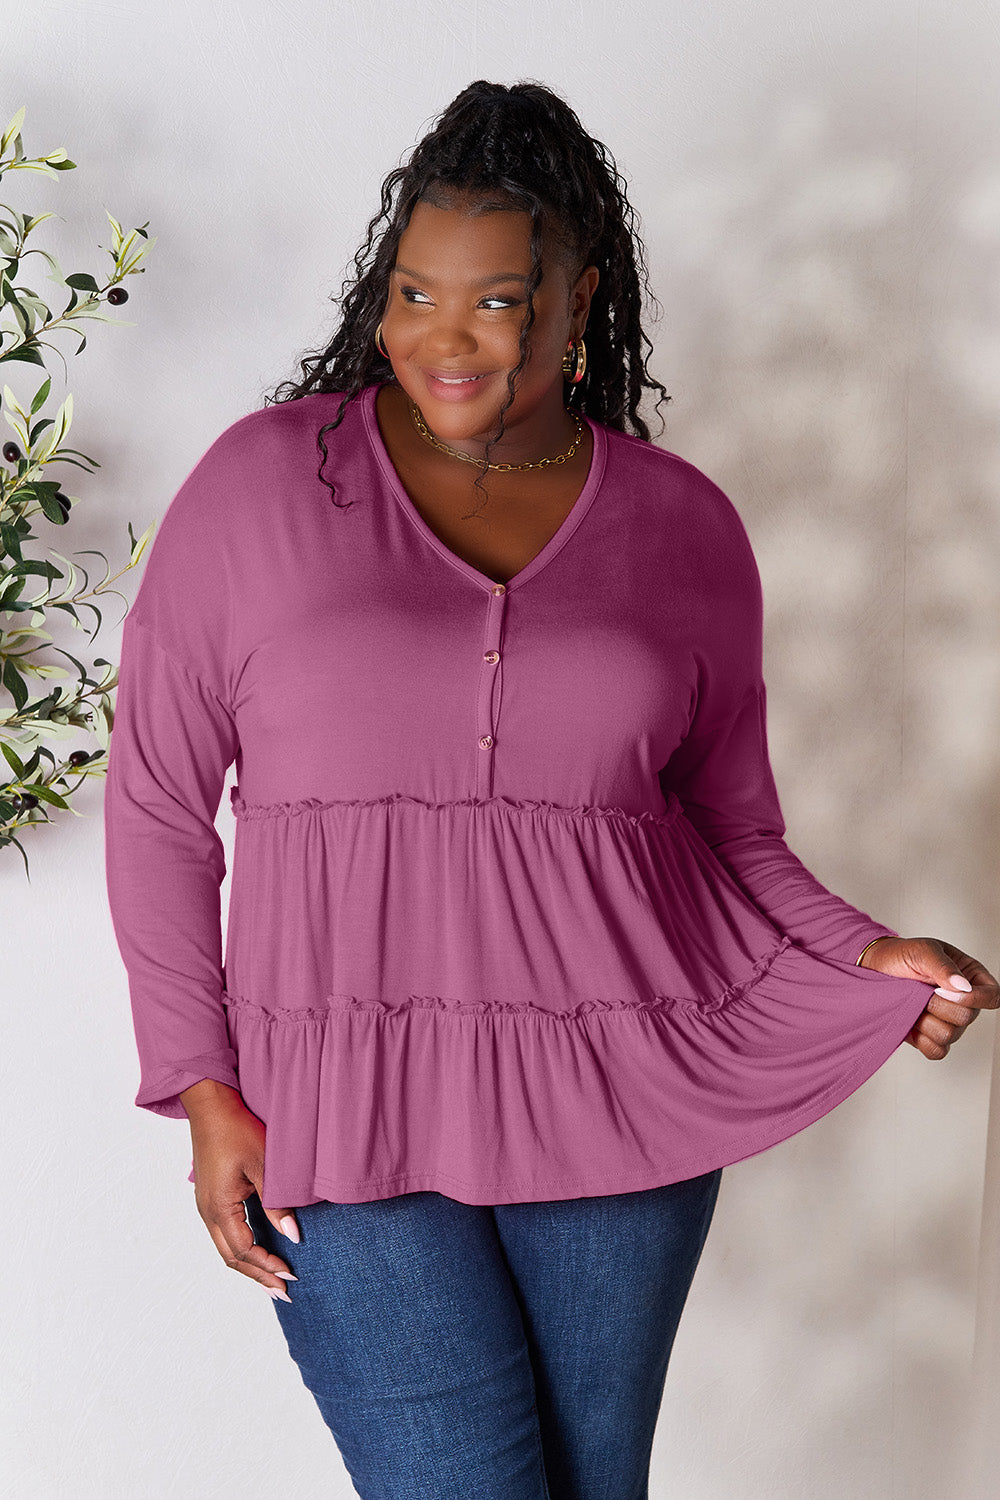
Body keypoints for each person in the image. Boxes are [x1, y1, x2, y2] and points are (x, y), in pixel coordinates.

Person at [103, 79, 998, 1500]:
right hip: (345, 1094)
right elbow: (155, 805)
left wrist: (858, 951)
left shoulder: (682, 525)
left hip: (619, 1085)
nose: (440, 340)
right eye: (412, 291)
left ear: (580, 307)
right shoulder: (264, 490)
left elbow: (726, 826)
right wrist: (205, 1085)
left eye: (498, 301)